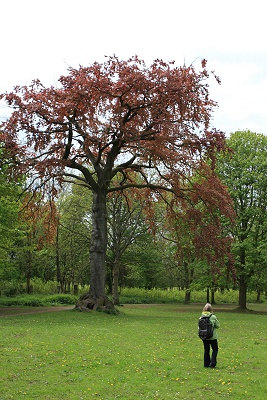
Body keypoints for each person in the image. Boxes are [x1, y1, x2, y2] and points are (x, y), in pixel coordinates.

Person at [200, 303, 220, 368]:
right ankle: (213, 363)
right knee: (215, 349)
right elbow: (218, 326)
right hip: (212, 336)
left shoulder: (201, 317)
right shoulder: (213, 317)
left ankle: (206, 364)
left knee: (206, 350)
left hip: (204, 336)